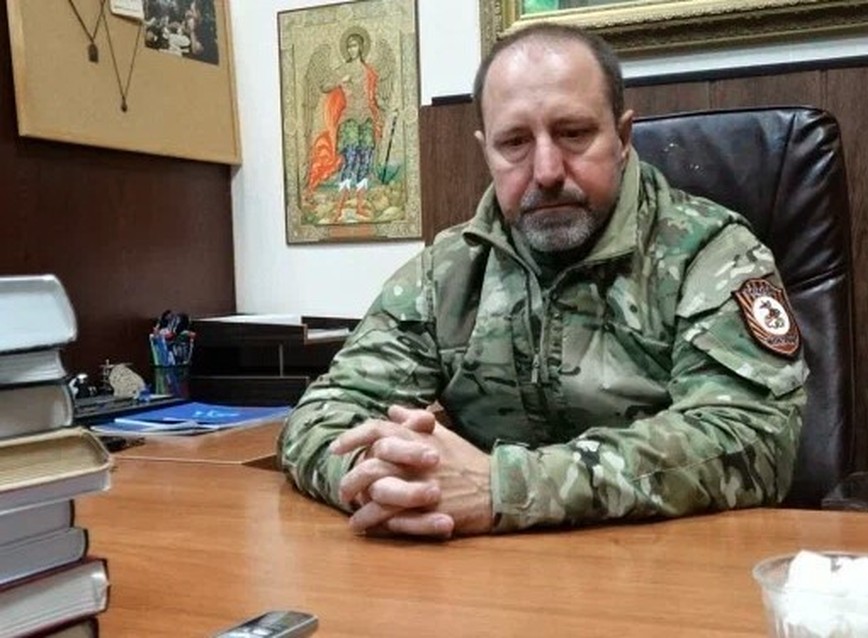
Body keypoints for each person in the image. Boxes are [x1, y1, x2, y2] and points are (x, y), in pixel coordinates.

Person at [280, 23, 807, 539]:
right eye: (514, 142)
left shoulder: (709, 252)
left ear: (622, 138)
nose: (548, 170)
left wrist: (508, 488)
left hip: (665, 567)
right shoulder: (449, 271)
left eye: (573, 133)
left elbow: (751, 437)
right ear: (487, 152)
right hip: (493, 572)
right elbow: (321, 416)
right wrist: (384, 478)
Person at [306, 30, 384, 220]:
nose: (351, 49)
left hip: (366, 119)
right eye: (349, 46)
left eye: (354, 45)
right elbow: (324, 86)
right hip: (349, 118)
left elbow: (373, 97)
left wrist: (379, 111)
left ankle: (359, 205)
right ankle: (339, 207)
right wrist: (341, 80)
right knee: (349, 161)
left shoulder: (369, 72)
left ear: (361, 48)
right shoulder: (343, 69)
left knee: (365, 161)